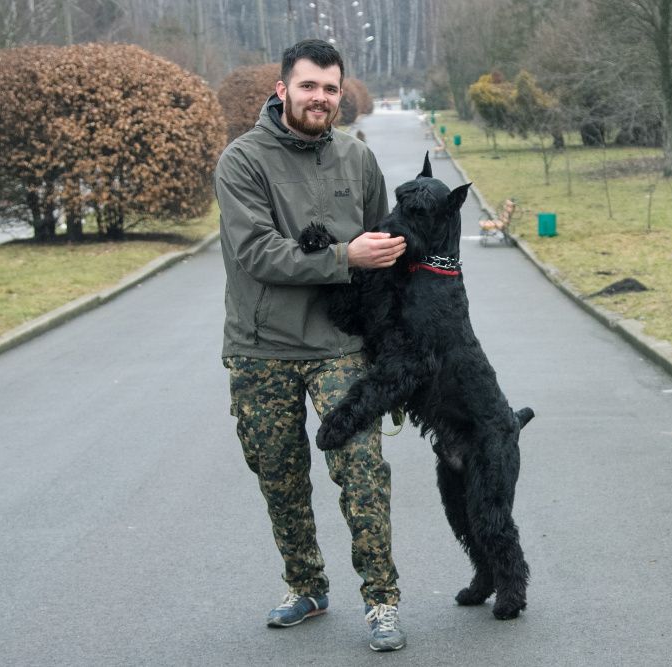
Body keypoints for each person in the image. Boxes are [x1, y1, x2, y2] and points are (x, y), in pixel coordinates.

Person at [214, 39, 407, 653]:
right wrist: (343, 256)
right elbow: (257, 252)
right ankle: (307, 585)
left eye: (330, 88)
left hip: (340, 345)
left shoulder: (357, 158)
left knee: (362, 471)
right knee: (280, 475)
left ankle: (381, 600)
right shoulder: (241, 161)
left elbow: (385, 249)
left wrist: (393, 340)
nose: (320, 98)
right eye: (308, 86)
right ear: (282, 90)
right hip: (261, 346)